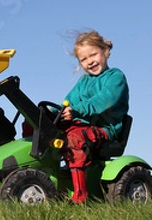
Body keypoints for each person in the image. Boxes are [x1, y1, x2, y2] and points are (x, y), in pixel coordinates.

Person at [60, 29, 129, 204]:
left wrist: (77, 111)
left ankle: (80, 195)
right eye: (84, 59)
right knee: (42, 128)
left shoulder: (115, 77)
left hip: (106, 130)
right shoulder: (83, 82)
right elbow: (69, 102)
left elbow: (103, 100)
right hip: (84, 126)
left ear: (104, 51)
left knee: (75, 138)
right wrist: (55, 113)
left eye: (93, 55)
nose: (90, 61)